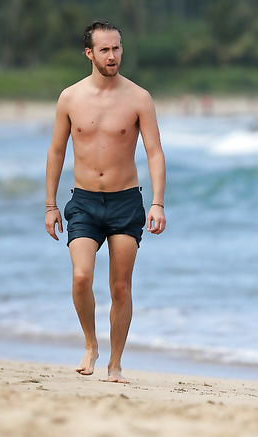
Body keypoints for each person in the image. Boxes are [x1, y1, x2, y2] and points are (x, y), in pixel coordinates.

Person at [44, 20, 167, 384]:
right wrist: (50, 205)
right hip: (83, 201)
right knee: (81, 276)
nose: (112, 56)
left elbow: (155, 152)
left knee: (120, 287)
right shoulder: (70, 98)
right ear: (89, 53)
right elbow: (56, 151)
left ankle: (115, 364)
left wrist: (157, 202)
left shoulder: (139, 98)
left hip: (125, 201)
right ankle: (90, 343)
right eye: (104, 50)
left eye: (116, 48)